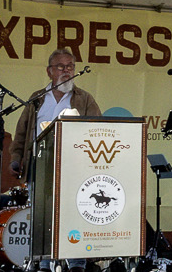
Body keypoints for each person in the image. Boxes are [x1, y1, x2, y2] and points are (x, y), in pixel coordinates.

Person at [10, 48, 103, 176]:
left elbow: (97, 131)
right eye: (60, 67)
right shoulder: (37, 98)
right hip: (38, 164)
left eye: (70, 66)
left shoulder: (84, 98)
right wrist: (15, 159)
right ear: (49, 72)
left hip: (72, 166)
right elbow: (21, 133)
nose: (66, 71)